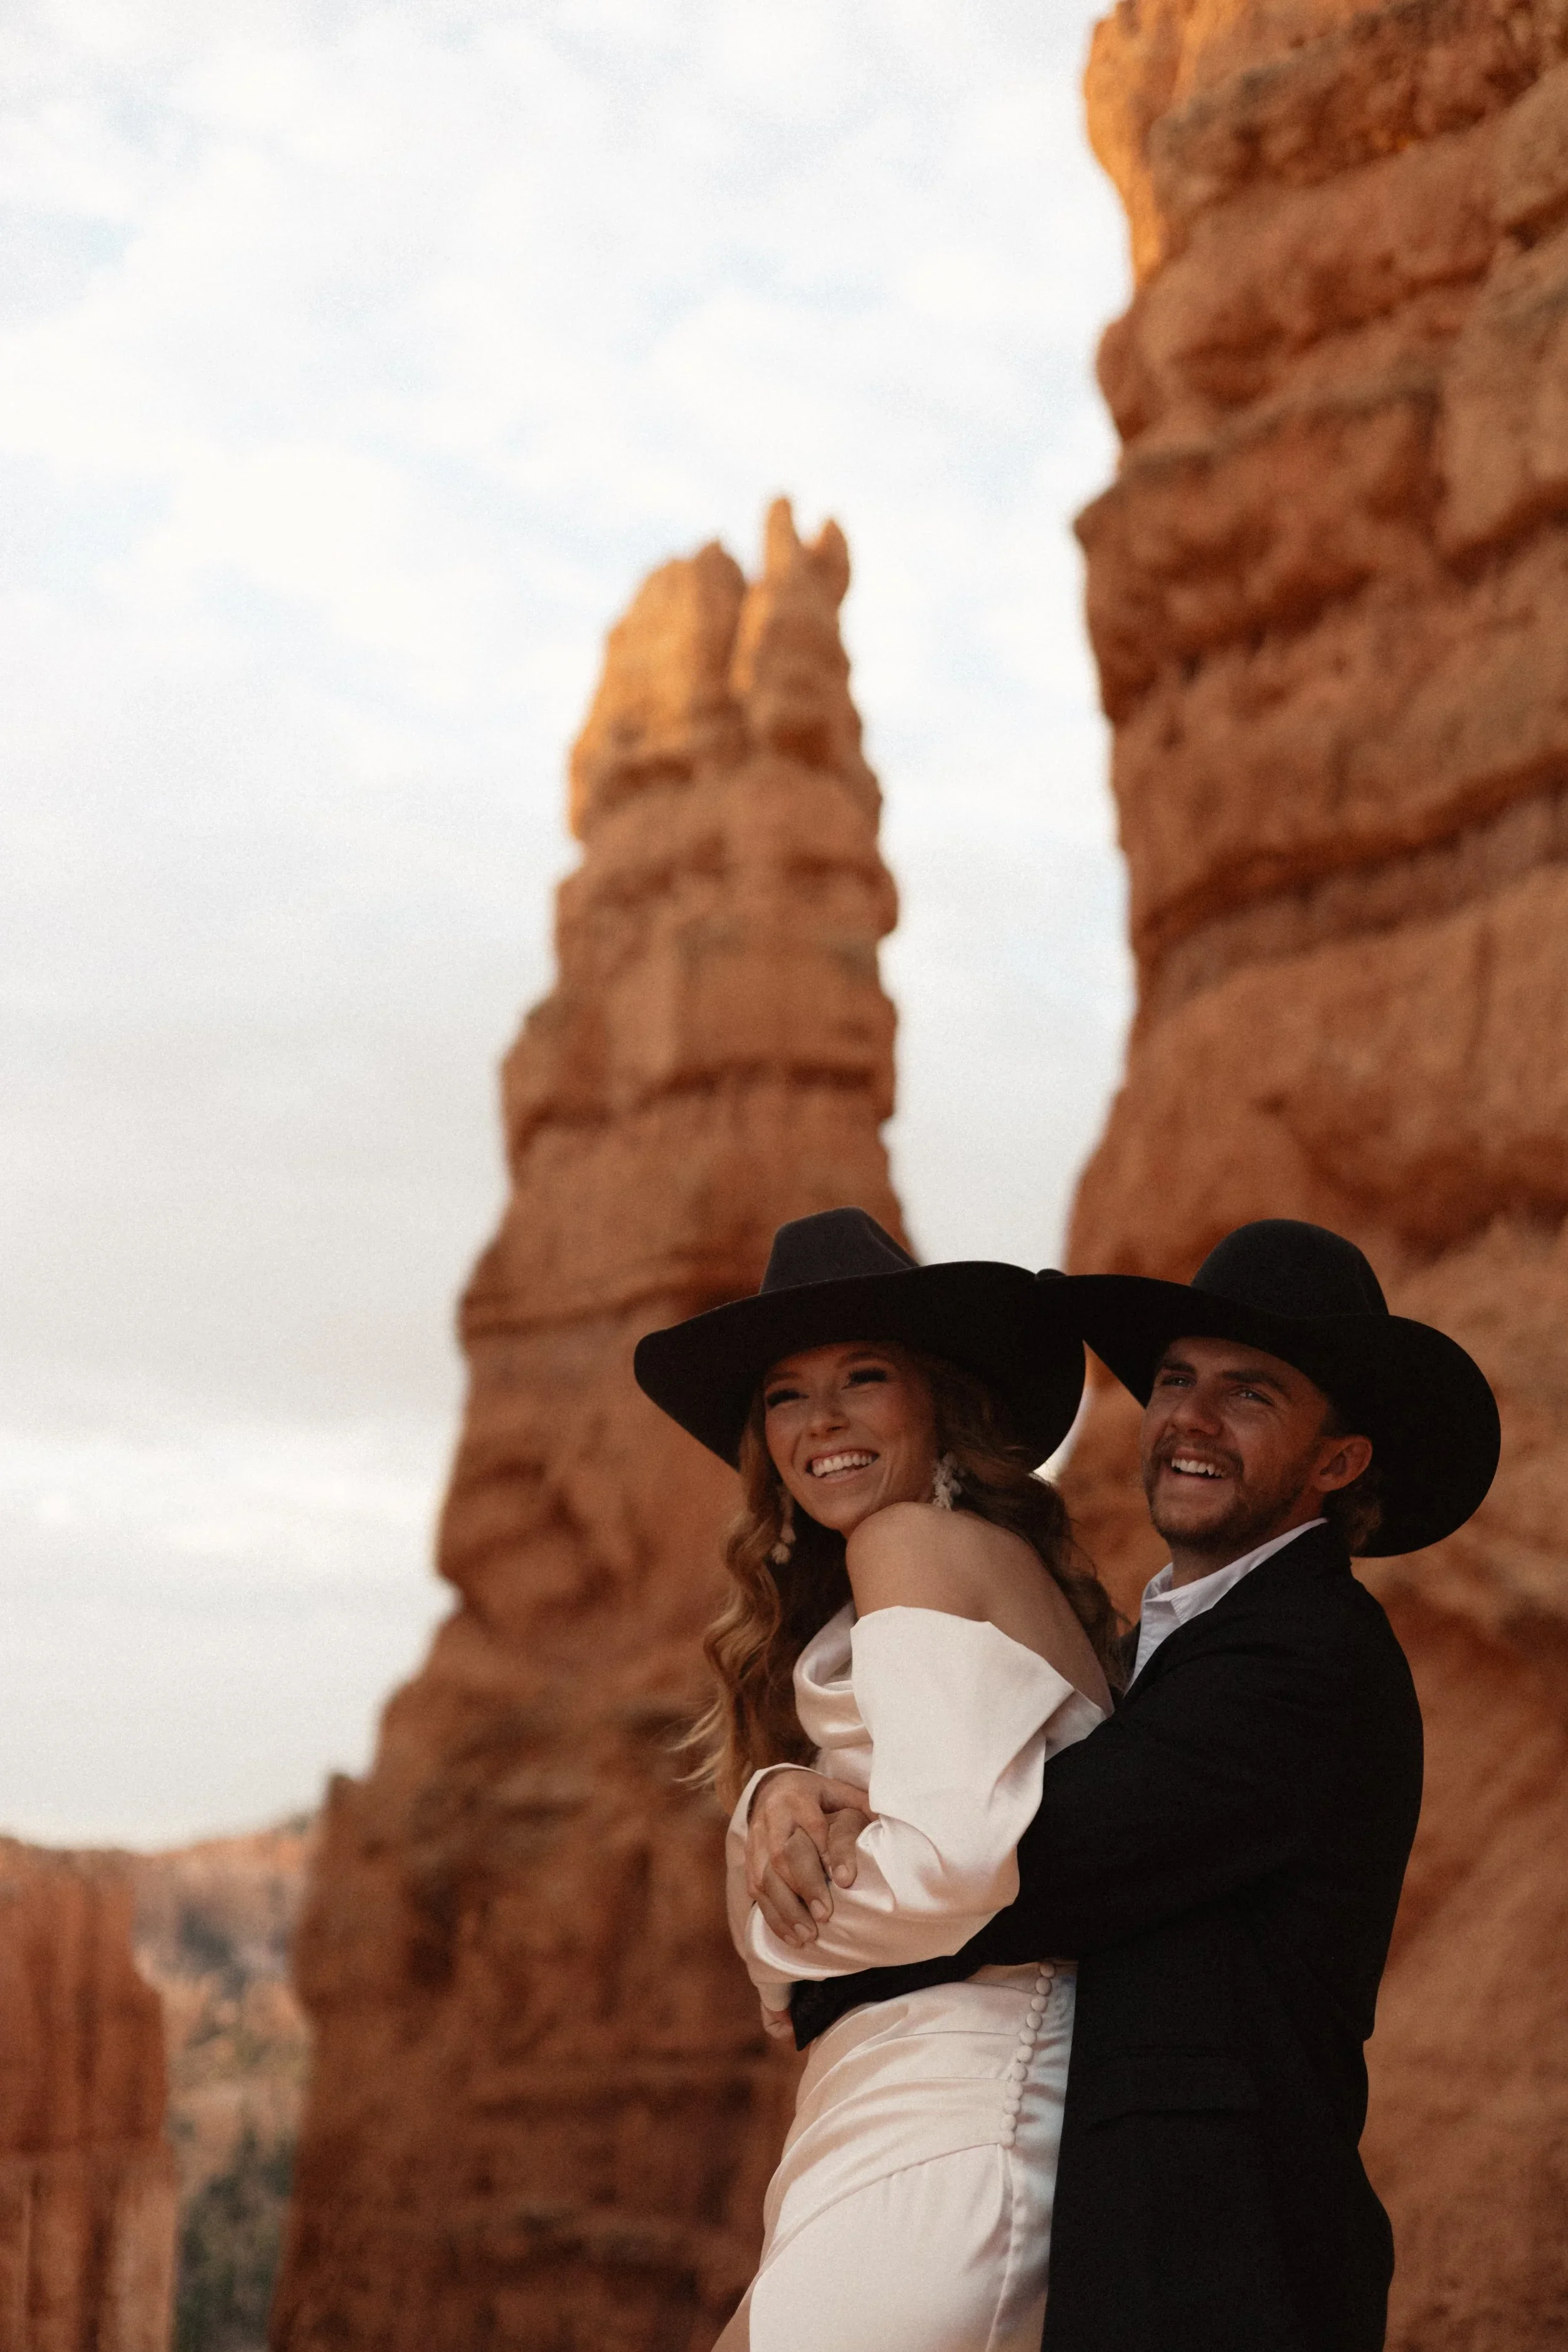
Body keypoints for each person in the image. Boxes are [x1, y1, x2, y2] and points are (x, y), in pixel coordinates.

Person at [750, 1218, 1502, 2352]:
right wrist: (773, 1792)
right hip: (1135, 2245)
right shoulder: (1170, 1645)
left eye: (1250, 1395)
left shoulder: (1308, 1655)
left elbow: (1026, 1866)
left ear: (1338, 1460)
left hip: (1227, 2260)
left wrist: (797, 1958)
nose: (1191, 1419)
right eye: (1173, 1380)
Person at [633, 1207, 1123, 2352]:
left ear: (940, 1399)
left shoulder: (904, 1541)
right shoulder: (928, 1563)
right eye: (787, 1394)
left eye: (865, 1376)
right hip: (888, 2110)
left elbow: (951, 1867)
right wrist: (769, 1802)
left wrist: (775, 1945)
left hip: (953, 2114)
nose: (824, 1421)